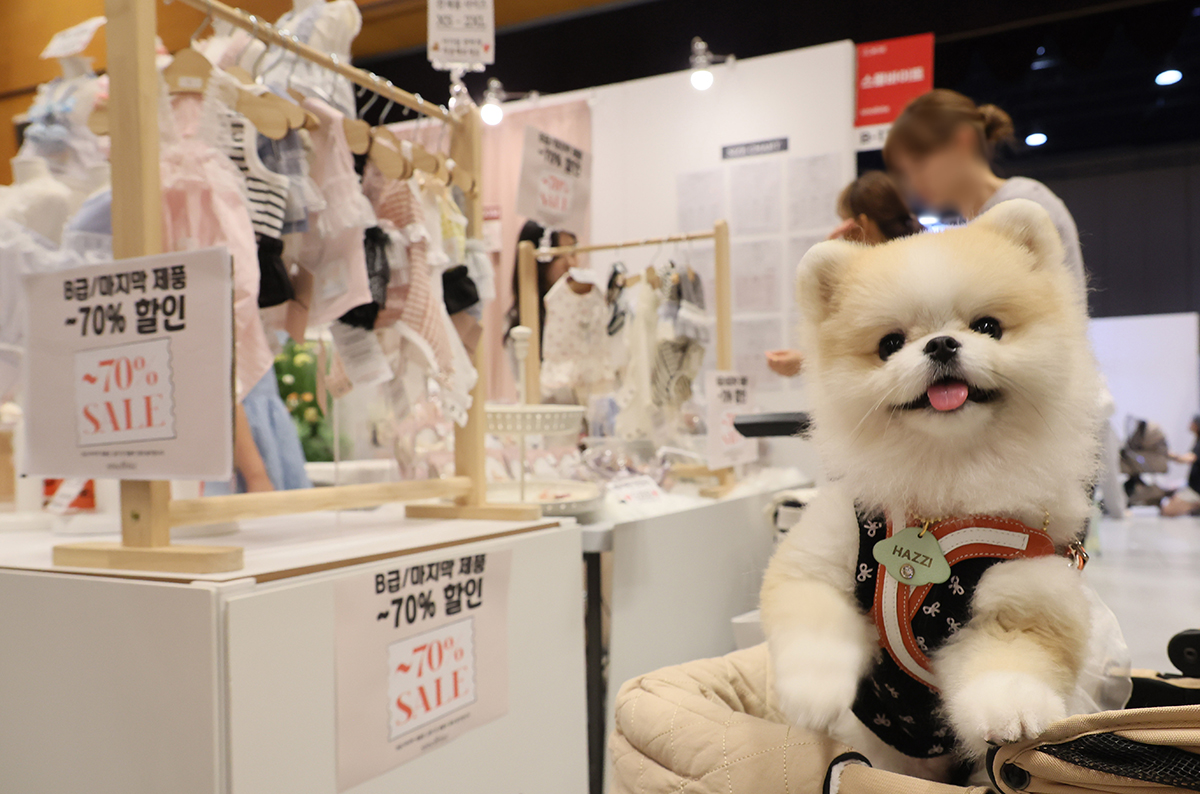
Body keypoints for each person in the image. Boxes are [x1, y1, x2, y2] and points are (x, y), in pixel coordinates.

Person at [883, 89, 1085, 293]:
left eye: (917, 165)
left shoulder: (1021, 206)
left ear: (962, 142)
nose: (912, 183)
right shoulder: (973, 223)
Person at [766, 171, 921, 377]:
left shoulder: (875, 283)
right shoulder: (921, 259)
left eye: (843, 220)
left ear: (862, 224)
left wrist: (833, 260)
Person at [505, 220, 577, 354]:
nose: (570, 264)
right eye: (558, 256)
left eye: (573, 252)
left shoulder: (587, 306)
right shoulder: (520, 324)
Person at [1162, 415, 1200, 517]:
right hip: (1192, 486)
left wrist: (1171, 455)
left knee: (1167, 511)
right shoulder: (1196, 441)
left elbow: (1188, 459)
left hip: (1196, 491)